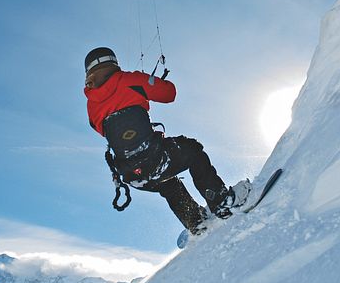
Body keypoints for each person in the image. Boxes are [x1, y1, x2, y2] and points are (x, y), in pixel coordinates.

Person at [83, 47, 250, 234]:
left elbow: (105, 131)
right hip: (155, 158)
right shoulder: (129, 80)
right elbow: (169, 93)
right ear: (113, 62)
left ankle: (196, 222)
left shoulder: (91, 106)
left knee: (168, 183)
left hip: (133, 175)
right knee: (192, 150)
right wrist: (149, 83)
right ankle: (221, 202)